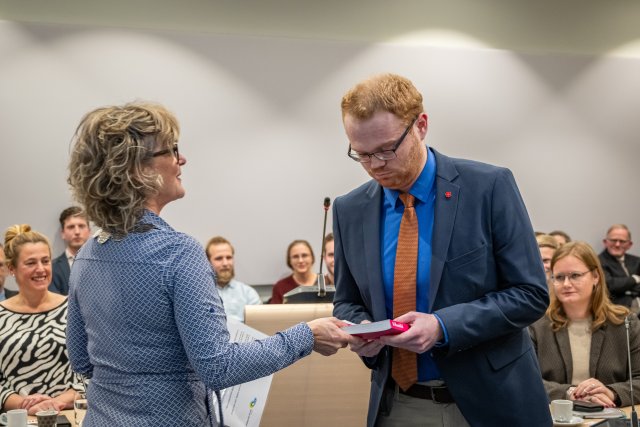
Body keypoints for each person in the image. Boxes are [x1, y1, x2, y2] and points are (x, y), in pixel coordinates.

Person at [65, 102, 352, 426]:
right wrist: (307, 336)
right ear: (138, 170)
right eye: (171, 150)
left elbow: (82, 360)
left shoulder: (87, 255)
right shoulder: (177, 253)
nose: (181, 159)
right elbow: (219, 366)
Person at [332, 73, 551, 427]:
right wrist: (362, 330)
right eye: (361, 154)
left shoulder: (488, 187)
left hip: (492, 403)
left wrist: (442, 326)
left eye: (387, 149)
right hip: (401, 405)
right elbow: (347, 299)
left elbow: (530, 294)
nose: (375, 165)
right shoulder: (349, 209)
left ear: (421, 125)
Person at [530, 241, 640, 407]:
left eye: (575, 275)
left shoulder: (625, 323)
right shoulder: (536, 325)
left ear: (595, 276)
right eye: (559, 277)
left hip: (609, 417)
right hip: (556, 418)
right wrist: (570, 393)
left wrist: (611, 392)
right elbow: (527, 380)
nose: (566, 284)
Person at [0, 225, 79, 415]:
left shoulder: (74, 309)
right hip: (19, 419)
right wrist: (25, 405)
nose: (41, 269)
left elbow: (91, 370)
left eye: (45, 261)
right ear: (12, 268)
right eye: (30, 263)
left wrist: (55, 403)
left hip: (68, 415)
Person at [205, 235, 262, 322]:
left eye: (229, 257)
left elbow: (259, 325)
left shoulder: (248, 294)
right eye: (219, 258)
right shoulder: (202, 293)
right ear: (208, 261)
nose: (225, 263)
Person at [49, 206, 90, 295]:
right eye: (71, 227)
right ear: (63, 233)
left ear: (89, 231)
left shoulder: (104, 264)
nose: (77, 232)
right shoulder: (51, 269)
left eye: (81, 226)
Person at [598, 224, 640, 309]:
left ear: (629, 244)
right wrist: (635, 279)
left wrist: (623, 287)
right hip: (615, 310)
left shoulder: (637, 261)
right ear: (605, 242)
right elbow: (609, 285)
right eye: (613, 240)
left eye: (622, 241)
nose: (617, 244)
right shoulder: (598, 261)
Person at [269, 239, 317, 304]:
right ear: (289, 261)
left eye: (304, 255)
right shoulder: (280, 287)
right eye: (295, 256)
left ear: (312, 258)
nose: (300, 260)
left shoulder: (325, 283)